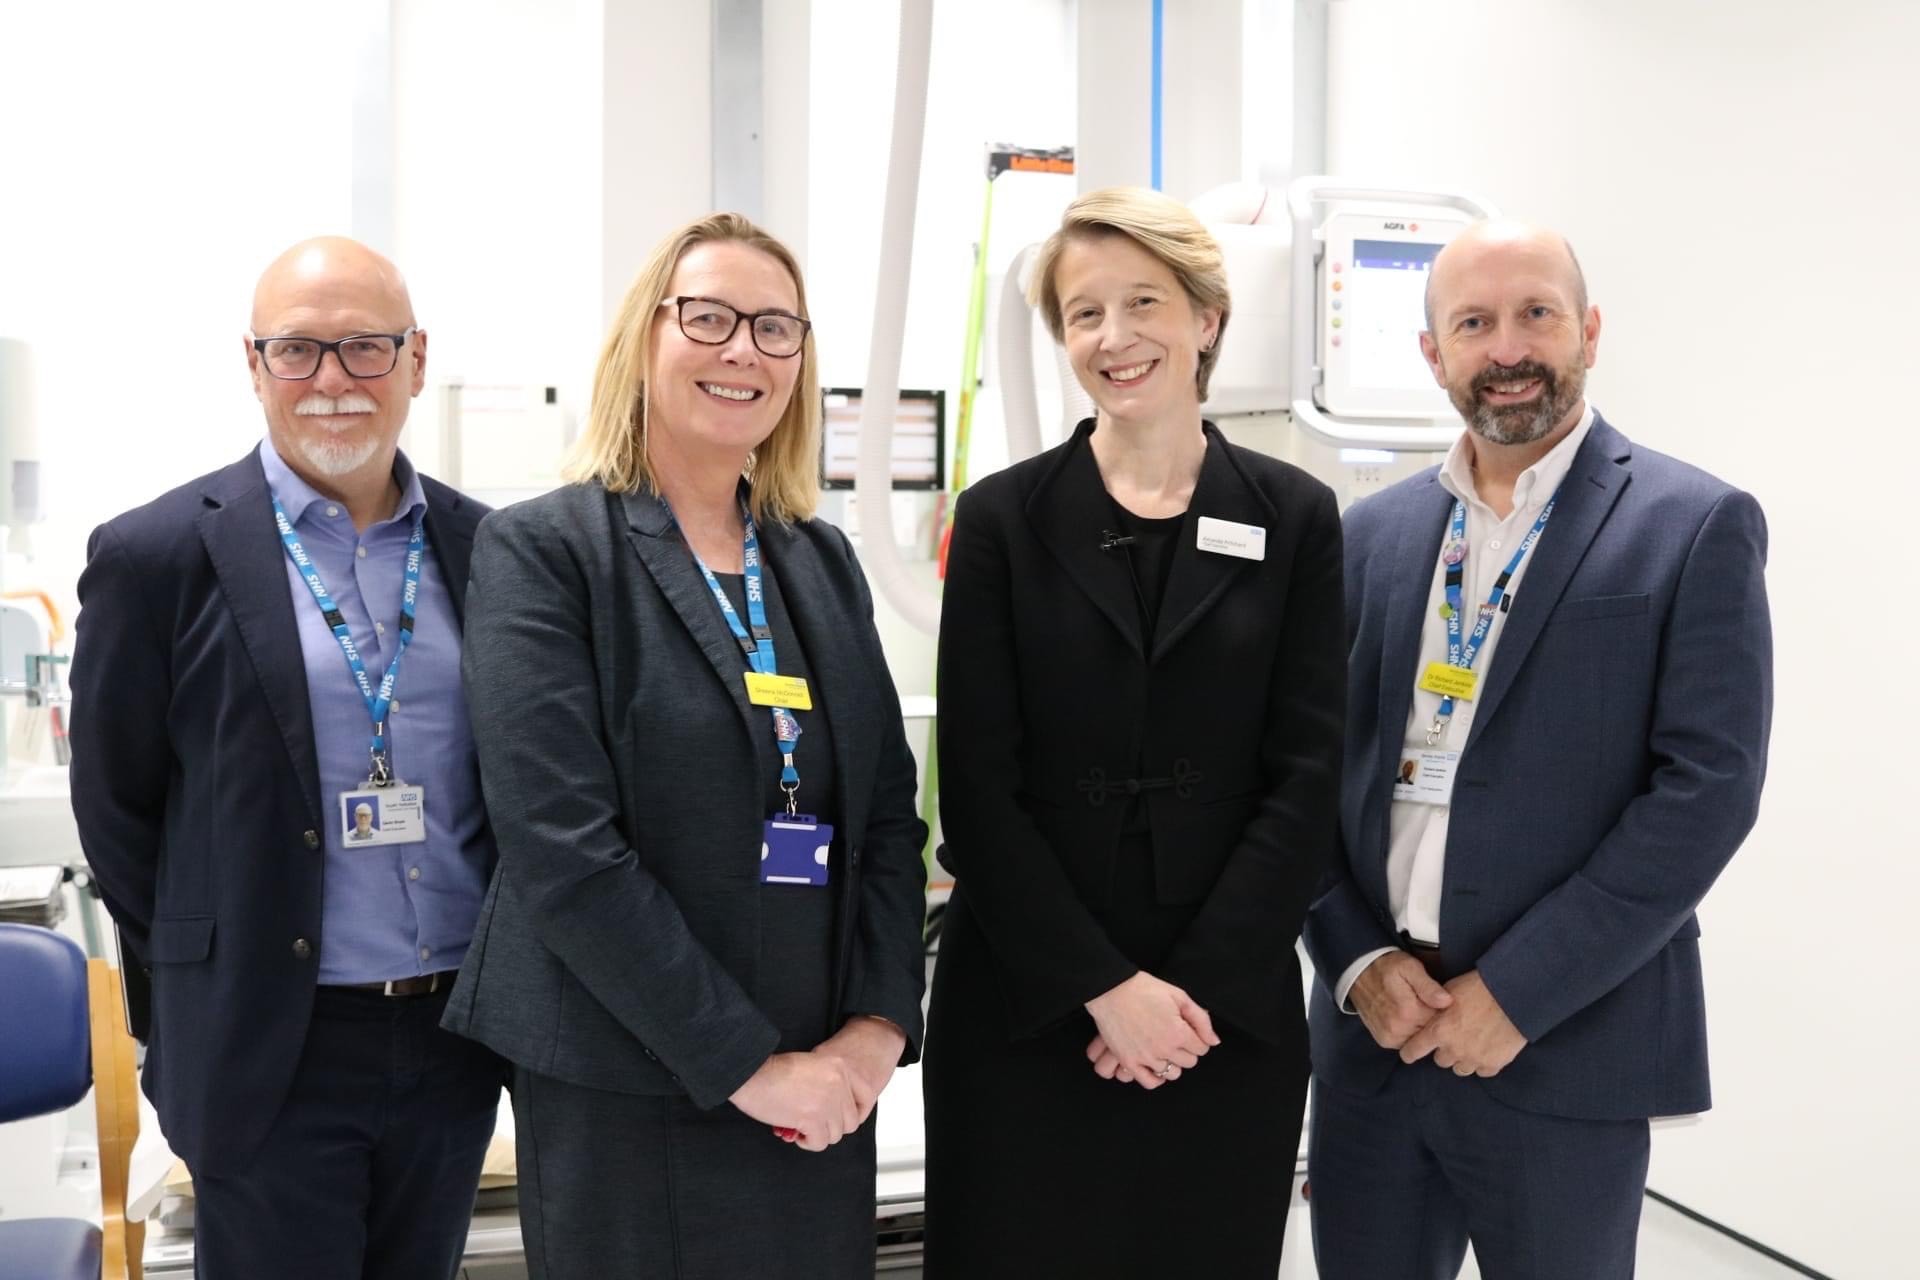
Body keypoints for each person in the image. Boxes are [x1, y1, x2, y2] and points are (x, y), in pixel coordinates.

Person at [439, 212, 928, 1279]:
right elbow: (563, 848)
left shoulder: (821, 560)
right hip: (630, 1077)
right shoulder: (546, 551)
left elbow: (889, 811)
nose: (742, 349)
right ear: (644, 341)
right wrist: (747, 1062)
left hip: (819, 1079)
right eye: (707, 318)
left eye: (775, 328)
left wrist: (877, 1027)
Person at [1303, 220, 1773, 1279]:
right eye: (1474, 323)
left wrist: (1515, 990)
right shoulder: (1369, 538)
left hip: (1560, 1039)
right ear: (1434, 354)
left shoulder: (1692, 524)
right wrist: (1355, 959)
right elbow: (1304, 772)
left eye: (1536, 315)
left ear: (1589, 331)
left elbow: (1708, 789)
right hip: (1377, 1036)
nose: (1507, 347)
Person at [922, 186, 1345, 1277]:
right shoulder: (1005, 519)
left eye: (1143, 301)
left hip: (1223, 1015)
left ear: (1207, 316)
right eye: (1083, 312)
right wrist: (1106, 988)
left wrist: (1186, 993)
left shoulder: (1294, 516)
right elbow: (973, 786)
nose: (1114, 338)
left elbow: (1305, 778)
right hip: (1027, 1004)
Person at [68, 237, 503, 1279]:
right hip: (271, 1044)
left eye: (364, 348)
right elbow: (119, 815)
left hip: (451, 1037)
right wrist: (208, 973)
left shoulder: (489, 548)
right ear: (254, 363)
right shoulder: (157, 554)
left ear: (416, 358)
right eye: (299, 350)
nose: (334, 381)